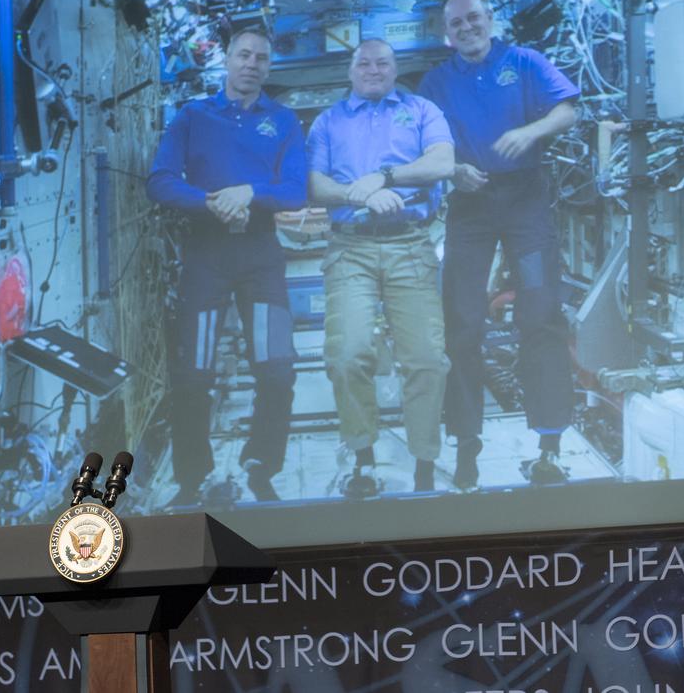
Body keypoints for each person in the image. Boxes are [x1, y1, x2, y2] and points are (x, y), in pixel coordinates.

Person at [418, 0, 578, 490]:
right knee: (462, 321)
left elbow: (567, 110)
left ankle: (549, 445)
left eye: (473, 18)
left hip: (525, 201)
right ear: (447, 33)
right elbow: (427, 143)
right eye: (456, 23)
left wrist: (531, 132)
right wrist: (454, 170)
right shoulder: (437, 81)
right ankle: (467, 444)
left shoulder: (525, 62)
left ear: (490, 17)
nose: (466, 28)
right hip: (470, 206)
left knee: (541, 312)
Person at [147, 27, 306, 505]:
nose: (251, 63)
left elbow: (295, 190)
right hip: (206, 257)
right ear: (228, 61)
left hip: (261, 256)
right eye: (243, 55)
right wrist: (209, 202)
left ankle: (262, 466)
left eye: (261, 57)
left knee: (277, 369)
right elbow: (159, 182)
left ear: (268, 67)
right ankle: (192, 478)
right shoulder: (193, 116)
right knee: (193, 374)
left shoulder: (283, 122)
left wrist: (250, 193)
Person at [307, 38, 455, 498]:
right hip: (350, 249)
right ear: (351, 72)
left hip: (410, 244)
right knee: (348, 354)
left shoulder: (422, 111)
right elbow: (314, 183)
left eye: (383, 63)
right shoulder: (328, 121)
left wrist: (387, 177)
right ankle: (363, 456)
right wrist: (362, 194)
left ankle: (425, 461)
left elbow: (442, 162)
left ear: (395, 70)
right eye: (364, 63)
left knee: (427, 359)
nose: (373, 69)